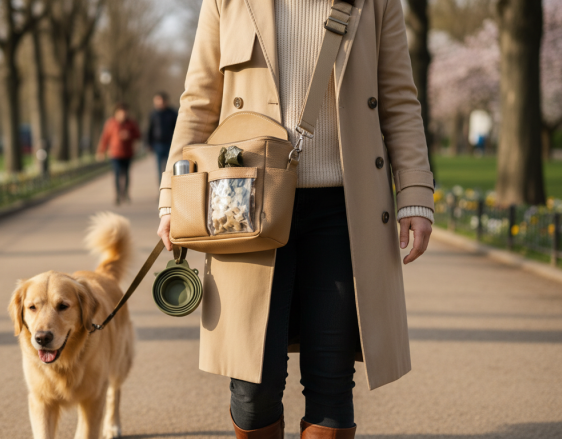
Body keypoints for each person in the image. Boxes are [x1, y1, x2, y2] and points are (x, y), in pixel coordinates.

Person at [156, 1, 435, 438]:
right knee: (253, 384)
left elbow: (399, 99)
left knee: (332, 377)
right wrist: (173, 198)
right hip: (243, 207)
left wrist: (416, 194)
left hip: (344, 210)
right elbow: (198, 102)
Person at [97, 103, 141, 205]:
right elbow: (105, 138)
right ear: (116, 113)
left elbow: (138, 135)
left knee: (126, 174)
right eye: (120, 113)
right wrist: (101, 151)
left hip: (128, 153)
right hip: (115, 153)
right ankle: (117, 195)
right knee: (116, 174)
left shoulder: (131, 123)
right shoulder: (110, 123)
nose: (123, 115)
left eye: (124, 113)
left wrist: (129, 135)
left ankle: (125, 193)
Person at [146, 92, 178, 183]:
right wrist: (148, 143)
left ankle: (170, 186)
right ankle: (161, 187)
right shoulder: (153, 114)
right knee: (159, 168)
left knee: (170, 167)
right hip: (158, 145)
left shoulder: (172, 113)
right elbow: (149, 130)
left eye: (161, 100)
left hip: (170, 144)